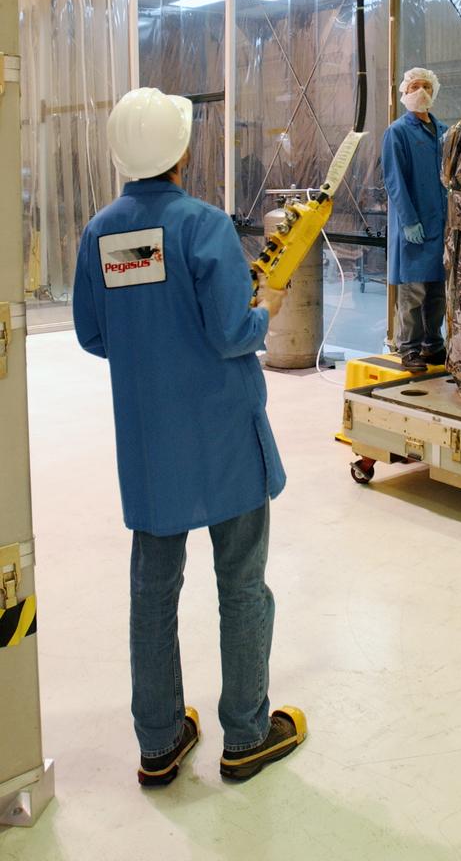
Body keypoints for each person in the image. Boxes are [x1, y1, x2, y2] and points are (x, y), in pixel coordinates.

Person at [72, 88, 307, 788]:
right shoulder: (201, 226)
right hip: (223, 434)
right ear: (179, 153)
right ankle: (246, 733)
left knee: (153, 590)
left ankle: (159, 740)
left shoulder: (100, 234)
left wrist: (150, 341)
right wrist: (266, 307)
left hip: (151, 443)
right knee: (240, 583)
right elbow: (232, 331)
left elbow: (92, 334)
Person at [381, 67, 448, 374]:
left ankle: (433, 346)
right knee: (413, 293)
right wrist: (408, 221)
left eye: (425, 86)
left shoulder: (444, 131)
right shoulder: (397, 132)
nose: (420, 91)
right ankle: (408, 349)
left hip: (440, 224)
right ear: (404, 93)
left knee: (437, 292)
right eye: (414, 87)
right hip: (414, 225)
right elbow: (394, 180)